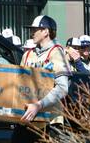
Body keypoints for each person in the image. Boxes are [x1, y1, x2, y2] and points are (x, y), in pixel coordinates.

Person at [14, 15, 69, 143]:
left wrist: (38, 105)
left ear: (46, 31)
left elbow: (62, 88)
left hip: (49, 122)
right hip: (26, 119)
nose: (31, 32)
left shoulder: (57, 52)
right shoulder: (28, 54)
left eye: (35, 29)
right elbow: (18, 85)